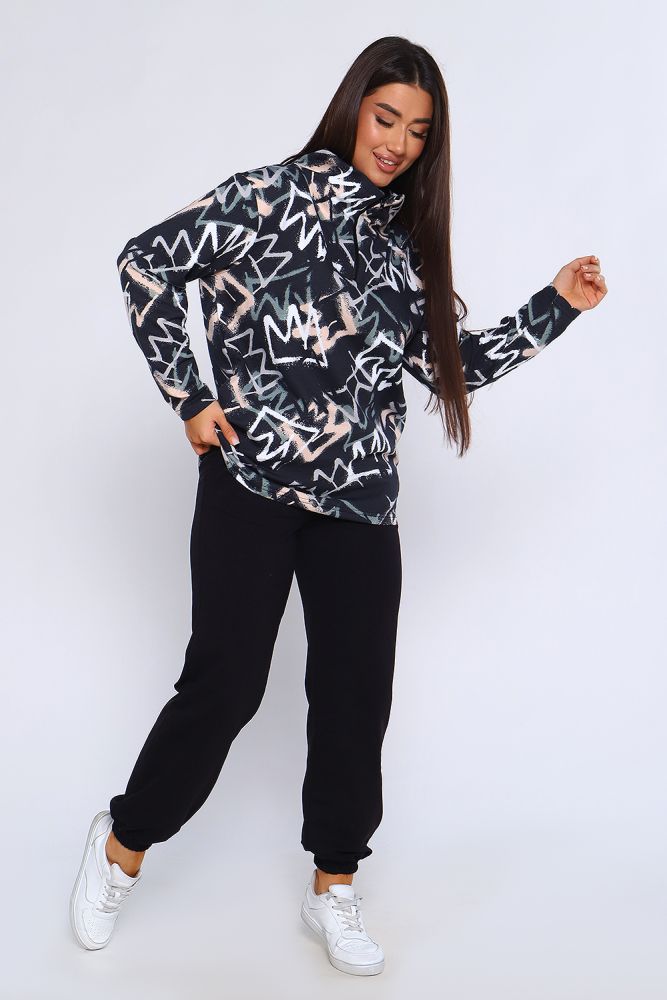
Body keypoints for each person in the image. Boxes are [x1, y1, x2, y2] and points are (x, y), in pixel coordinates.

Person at [69, 35, 606, 976]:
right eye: (385, 117)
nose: (397, 142)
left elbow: (452, 368)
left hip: (359, 503)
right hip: (252, 484)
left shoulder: (399, 246)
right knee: (226, 686)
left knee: (356, 696)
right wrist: (189, 397)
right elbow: (144, 261)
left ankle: (334, 886)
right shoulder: (267, 197)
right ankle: (120, 847)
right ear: (354, 108)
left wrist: (554, 305)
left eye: (418, 131)